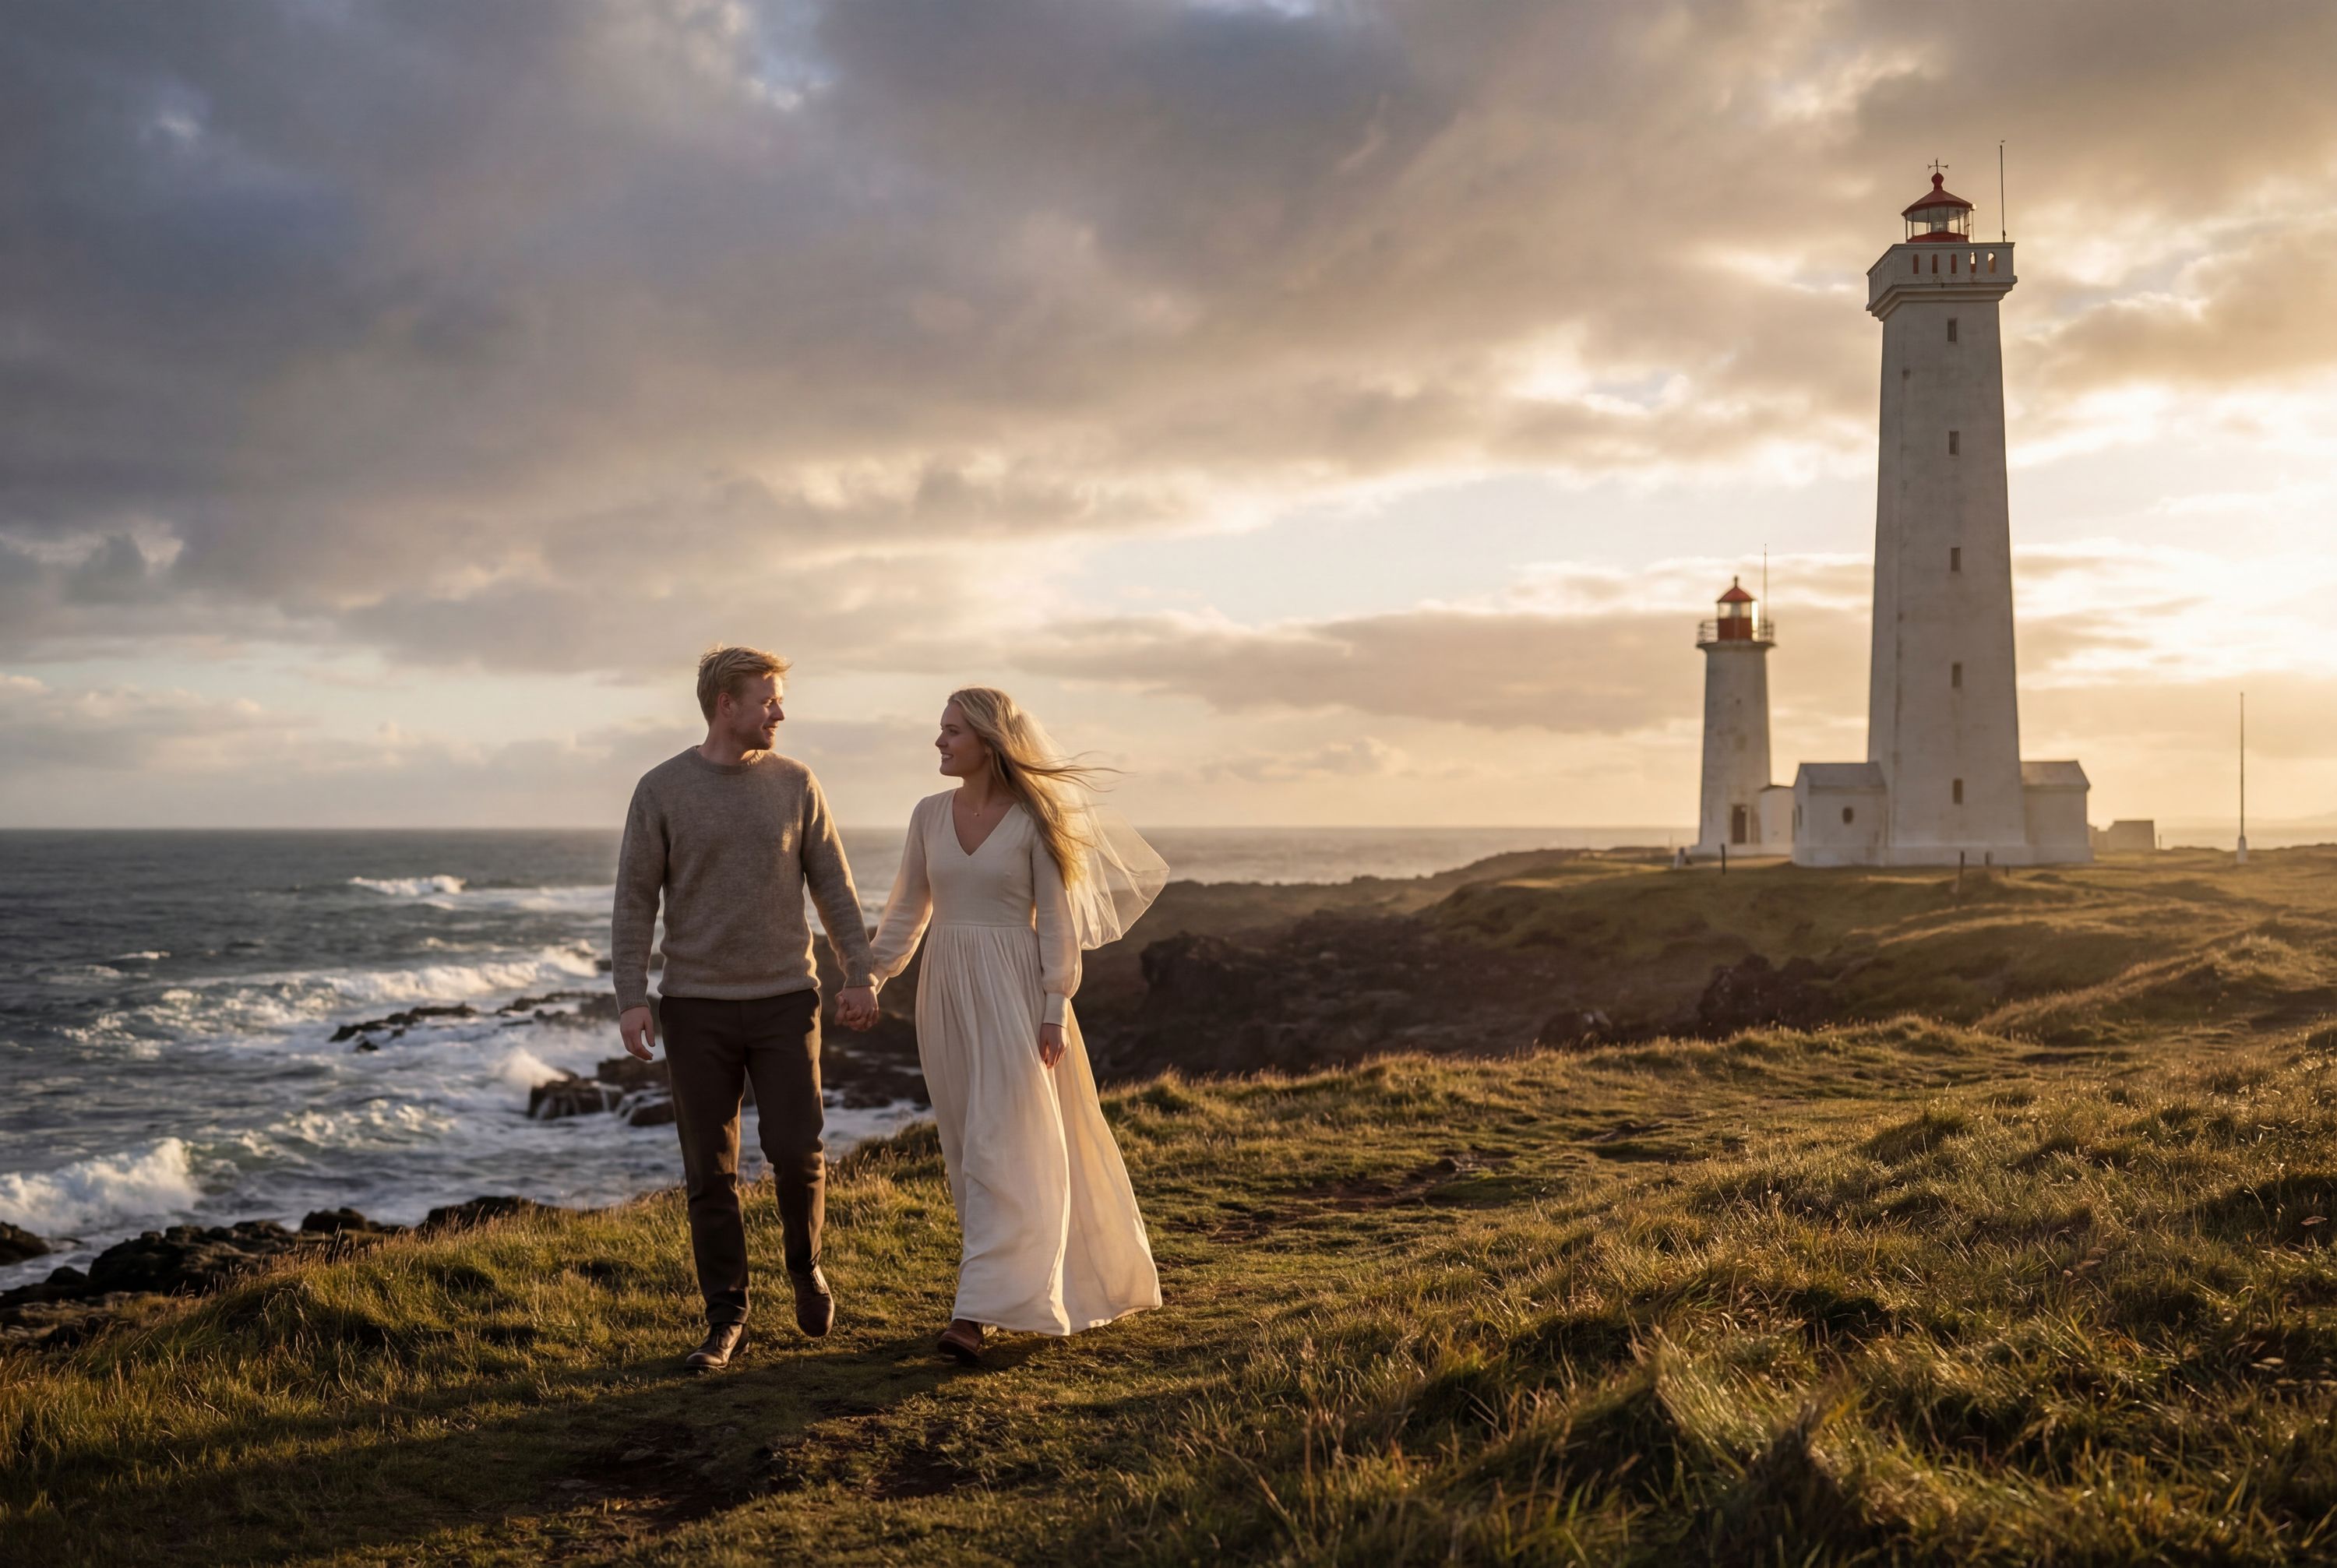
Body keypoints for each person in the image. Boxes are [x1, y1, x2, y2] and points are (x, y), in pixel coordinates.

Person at [868, 686, 1168, 1364]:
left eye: (950, 731)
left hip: (1014, 988)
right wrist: (873, 977)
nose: (939, 743)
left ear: (987, 740)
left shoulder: (1034, 820)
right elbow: (907, 909)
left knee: (1005, 1144)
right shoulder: (927, 815)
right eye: (939, 730)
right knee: (967, 1143)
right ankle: (999, 1292)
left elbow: (1058, 922)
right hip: (944, 988)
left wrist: (1053, 1006)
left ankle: (973, 1312)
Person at [612, 645, 879, 1372]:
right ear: (726, 703)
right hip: (694, 1005)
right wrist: (632, 996)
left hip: (787, 1000)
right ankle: (727, 1319)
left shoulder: (796, 782)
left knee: (797, 1150)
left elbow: (834, 884)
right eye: (768, 699)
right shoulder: (661, 789)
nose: (780, 712)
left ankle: (805, 1266)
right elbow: (635, 897)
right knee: (710, 1172)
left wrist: (861, 971)